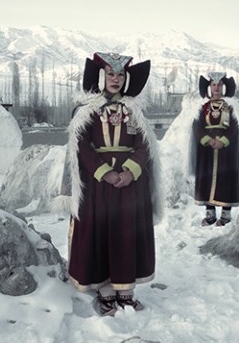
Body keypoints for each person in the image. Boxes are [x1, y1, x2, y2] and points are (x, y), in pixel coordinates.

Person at [63, 52, 163, 316]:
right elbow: (81, 147)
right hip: (97, 186)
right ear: (101, 76)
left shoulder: (134, 111)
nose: (115, 79)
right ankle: (104, 287)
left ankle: (125, 287)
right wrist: (104, 172)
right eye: (110, 74)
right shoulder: (86, 110)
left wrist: (130, 172)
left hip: (131, 186)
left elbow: (144, 146)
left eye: (120, 74)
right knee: (100, 233)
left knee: (126, 233)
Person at [192, 72, 239, 226]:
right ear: (209, 87)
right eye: (213, 84)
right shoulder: (203, 108)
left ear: (224, 87)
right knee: (207, 178)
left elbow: (235, 125)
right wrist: (208, 140)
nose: (216, 88)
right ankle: (210, 214)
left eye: (219, 84)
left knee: (226, 179)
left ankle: (226, 215)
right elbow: (197, 125)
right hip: (206, 149)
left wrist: (224, 140)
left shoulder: (230, 107)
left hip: (227, 150)